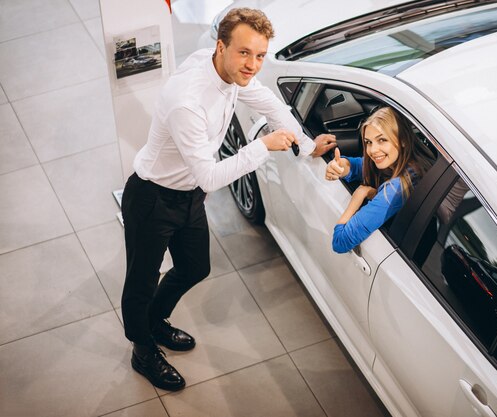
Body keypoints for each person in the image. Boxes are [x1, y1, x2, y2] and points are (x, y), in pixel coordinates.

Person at [121, 8, 336, 391]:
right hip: (152, 198)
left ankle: (155, 321)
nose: (252, 65)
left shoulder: (227, 70)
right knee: (141, 280)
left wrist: (304, 146)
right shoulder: (188, 100)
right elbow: (211, 175)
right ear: (221, 47)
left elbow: (268, 103)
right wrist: (262, 146)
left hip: (188, 196)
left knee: (195, 267)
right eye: (244, 53)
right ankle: (142, 349)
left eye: (260, 55)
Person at [325, 107, 424, 253]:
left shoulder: (395, 190)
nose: (372, 150)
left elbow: (340, 242)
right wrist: (341, 166)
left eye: (382, 140)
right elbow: (360, 165)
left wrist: (357, 199)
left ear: (402, 140)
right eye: (368, 142)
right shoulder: (408, 163)